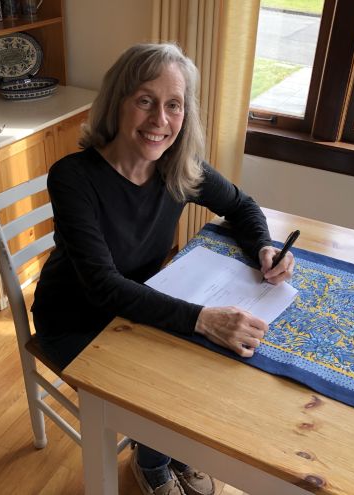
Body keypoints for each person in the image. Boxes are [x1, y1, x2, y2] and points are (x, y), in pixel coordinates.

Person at [32, 42, 295, 495]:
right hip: (76, 319)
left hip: (138, 307)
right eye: (145, 101)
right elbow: (101, 286)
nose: (160, 121)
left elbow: (242, 206)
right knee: (175, 379)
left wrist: (264, 249)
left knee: (206, 366)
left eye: (173, 105)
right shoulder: (73, 177)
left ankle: (162, 449)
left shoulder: (178, 169)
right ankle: (153, 459)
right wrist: (202, 318)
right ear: (117, 103)